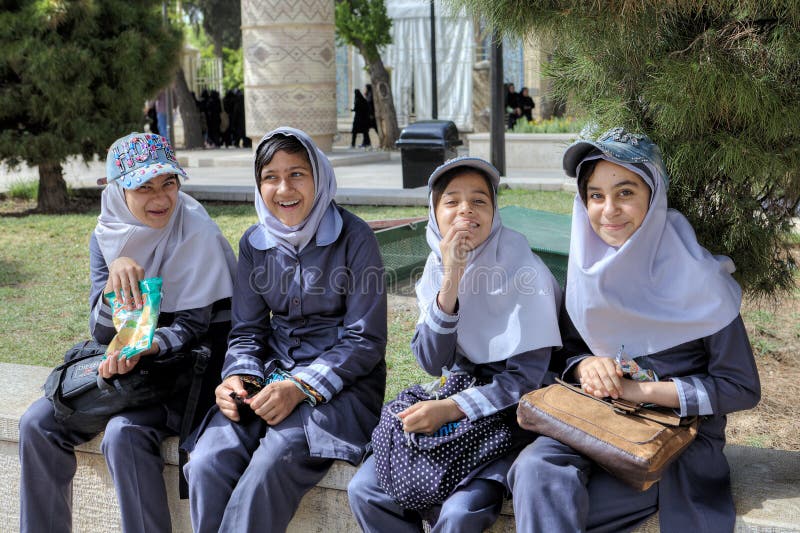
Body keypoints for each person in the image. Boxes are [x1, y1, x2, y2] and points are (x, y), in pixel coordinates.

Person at [508, 127, 761, 532]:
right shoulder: (586, 273)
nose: (609, 209)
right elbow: (566, 355)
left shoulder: (700, 281)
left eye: (625, 192)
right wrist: (587, 365)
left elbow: (741, 386)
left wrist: (637, 391)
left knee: (563, 508)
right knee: (536, 470)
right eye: (596, 195)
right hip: (596, 422)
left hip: (675, 443)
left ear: (653, 197)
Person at [18, 132, 237, 533]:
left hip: (189, 372)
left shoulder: (196, 232)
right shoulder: (106, 235)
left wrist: (147, 347)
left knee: (123, 433)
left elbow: (195, 327)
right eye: (144, 187)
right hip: (130, 367)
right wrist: (115, 276)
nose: (161, 198)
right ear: (119, 191)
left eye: (169, 182)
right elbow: (103, 334)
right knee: (37, 423)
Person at [183, 126, 387, 533]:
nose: (283, 188)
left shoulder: (354, 237)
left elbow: (365, 339)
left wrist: (300, 388)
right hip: (269, 379)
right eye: (270, 177)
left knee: (273, 461)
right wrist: (238, 378)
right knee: (207, 461)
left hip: (341, 391)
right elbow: (246, 333)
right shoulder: (255, 243)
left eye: (297, 173)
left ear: (319, 176)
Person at [348, 157, 562, 532]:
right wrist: (451, 281)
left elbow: (527, 381)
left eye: (479, 201)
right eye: (452, 201)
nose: (466, 209)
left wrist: (450, 409)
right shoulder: (436, 267)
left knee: (461, 512)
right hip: (455, 400)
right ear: (434, 213)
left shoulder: (527, 273)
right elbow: (433, 361)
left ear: (495, 213)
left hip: (510, 416)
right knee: (366, 490)